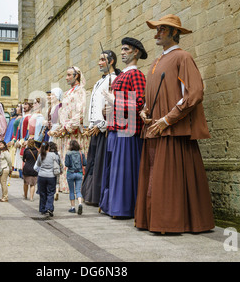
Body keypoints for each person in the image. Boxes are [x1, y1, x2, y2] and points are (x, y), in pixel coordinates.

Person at [134, 14, 215, 233]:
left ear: (174, 33)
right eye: (157, 29)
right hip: (154, 130)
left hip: (173, 131)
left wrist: (168, 119)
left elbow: (195, 92)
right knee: (153, 177)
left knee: (168, 179)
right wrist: (144, 112)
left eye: (161, 29)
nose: (156, 33)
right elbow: (152, 95)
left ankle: (172, 222)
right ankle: (153, 220)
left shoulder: (183, 57)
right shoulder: (157, 61)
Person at [99, 37, 147, 218]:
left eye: (126, 49)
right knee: (112, 171)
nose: (122, 52)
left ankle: (124, 208)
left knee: (124, 172)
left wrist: (115, 101)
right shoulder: (121, 76)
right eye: (122, 49)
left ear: (136, 52)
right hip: (114, 129)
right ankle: (111, 205)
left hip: (128, 130)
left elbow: (140, 104)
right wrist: (107, 110)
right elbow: (117, 105)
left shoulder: (136, 75)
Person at [81, 50, 119, 206]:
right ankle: (89, 194)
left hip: (104, 130)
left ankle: (97, 197)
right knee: (92, 162)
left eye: (102, 59)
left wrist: (101, 126)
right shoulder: (99, 82)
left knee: (101, 163)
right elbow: (94, 106)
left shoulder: (114, 79)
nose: (99, 63)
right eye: (99, 59)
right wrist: (91, 125)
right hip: (95, 129)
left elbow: (111, 106)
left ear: (111, 61)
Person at [49, 67, 88, 194]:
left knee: (75, 160)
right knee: (65, 159)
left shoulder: (81, 91)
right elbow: (63, 114)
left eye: (69, 75)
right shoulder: (67, 93)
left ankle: (77, 187)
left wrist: (67, 127)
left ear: (76, 76)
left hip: (74, 133)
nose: (66, 78)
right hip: (65, 133)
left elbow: (80, 113)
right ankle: (65, 185)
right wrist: (60, 128)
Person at [34, 142, 61, 217]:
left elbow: (38, 164)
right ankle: (49, 207)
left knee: (42, 193)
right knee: (50, 192)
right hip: (51, 176)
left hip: (42, 176)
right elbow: (58, 163)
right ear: (48, 148)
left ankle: (43, 208)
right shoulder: (53, 155)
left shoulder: (40, 155)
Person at [65, 140, 87, 215]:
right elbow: (85, 163)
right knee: (78, 190)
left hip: (71, 173)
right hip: (79, 173)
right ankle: (80, 204)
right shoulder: (81, 153)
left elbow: (66, 164)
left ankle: (73, 208)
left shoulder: (68, 153)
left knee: (71, 191)